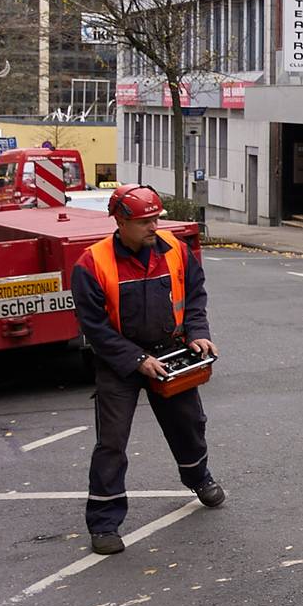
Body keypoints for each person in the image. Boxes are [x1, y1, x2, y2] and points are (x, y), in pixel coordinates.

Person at [69, 185, 221, 555]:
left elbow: (195, 297)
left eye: (156, 218)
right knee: (112, 443)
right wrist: (136, 361)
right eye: (145, 221)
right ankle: (104, 524)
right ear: (121, 222)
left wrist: (198, 334)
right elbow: (95, 327)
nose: (155, 226)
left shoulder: (175, 250)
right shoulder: (92, 264)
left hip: (170, 352)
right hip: (120, 364)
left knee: (189, 424)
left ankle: (199, 478)